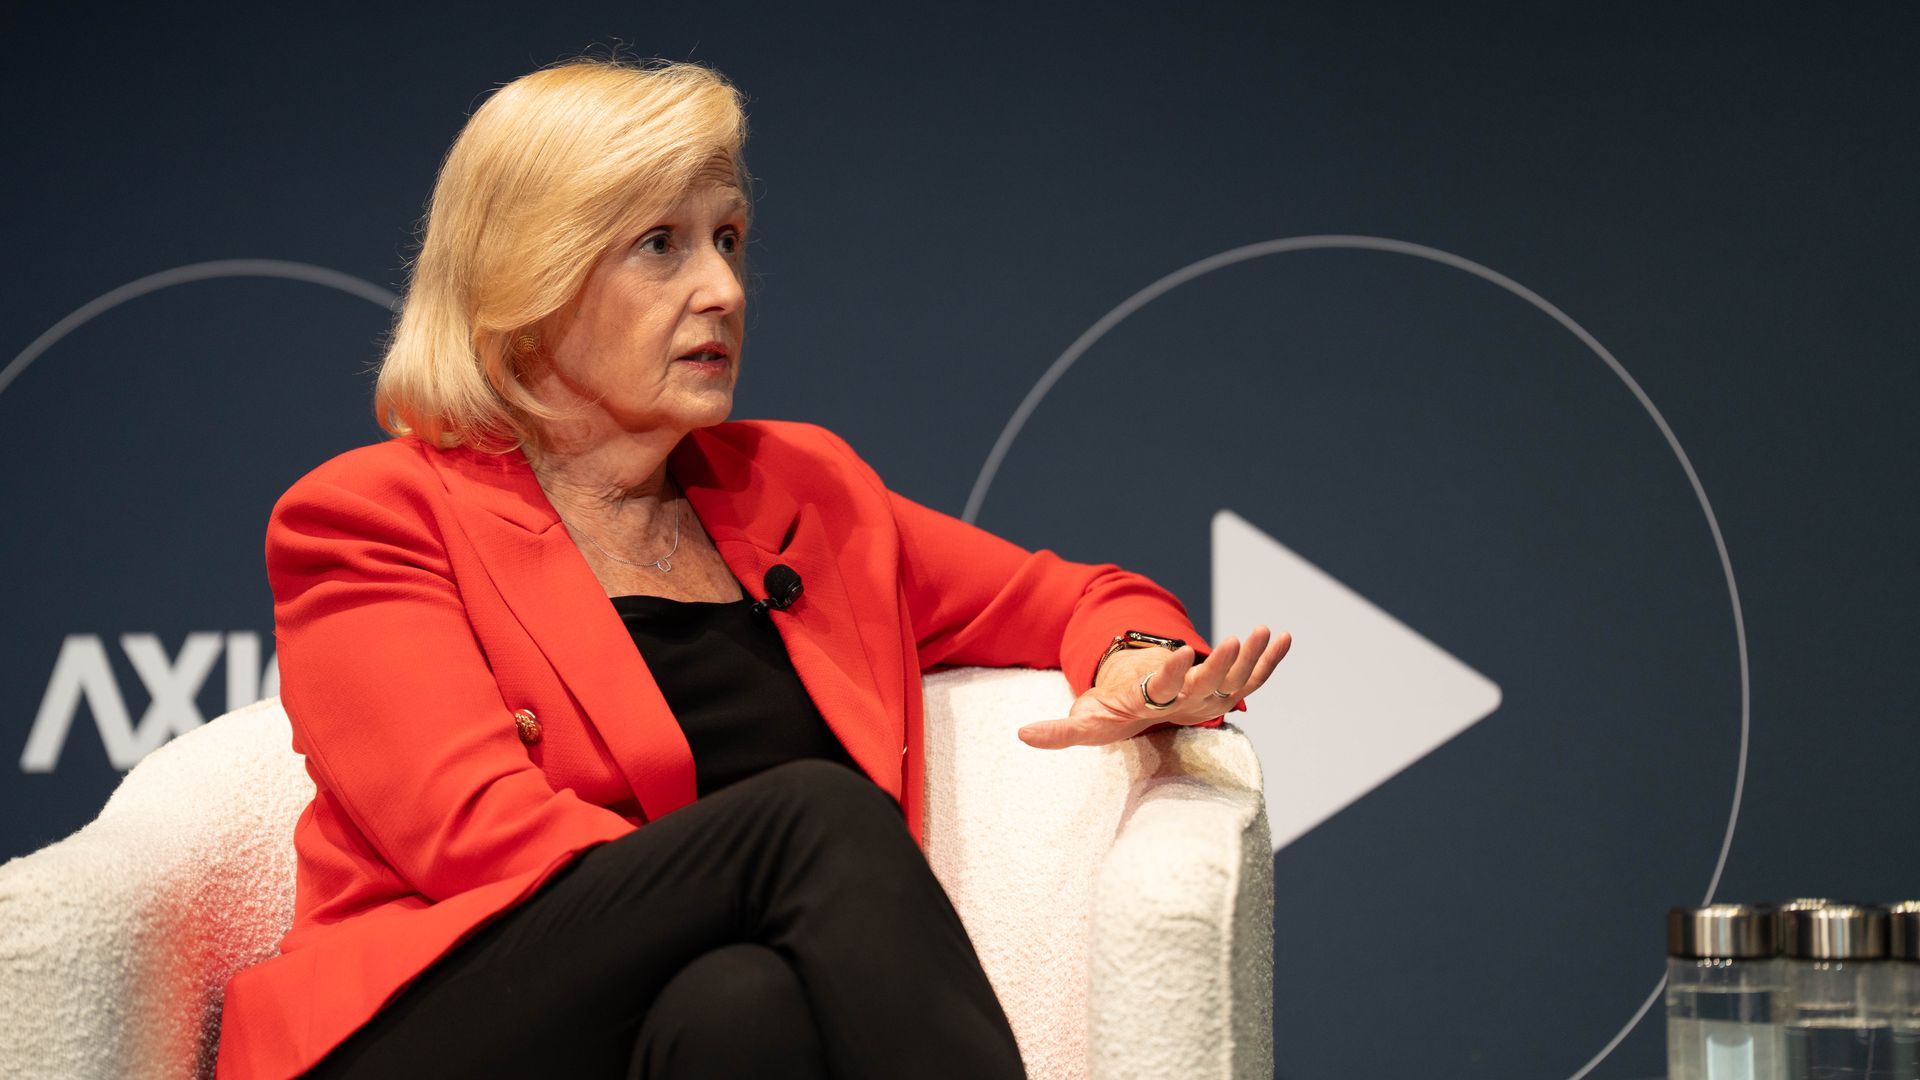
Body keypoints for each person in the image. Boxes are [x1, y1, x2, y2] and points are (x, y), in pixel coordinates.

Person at [213, 58, 1290, 1080]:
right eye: (661, 246)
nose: (723, 288)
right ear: (526, 281)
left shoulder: (802, 493)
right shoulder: (372, 517)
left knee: (742, 1009)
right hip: (435, 1023)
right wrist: (749, 869)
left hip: (679, 1019)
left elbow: (1079, 597)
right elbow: (475, 842)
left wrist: (1142, 667)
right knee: (812, 820)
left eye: (728, 237)